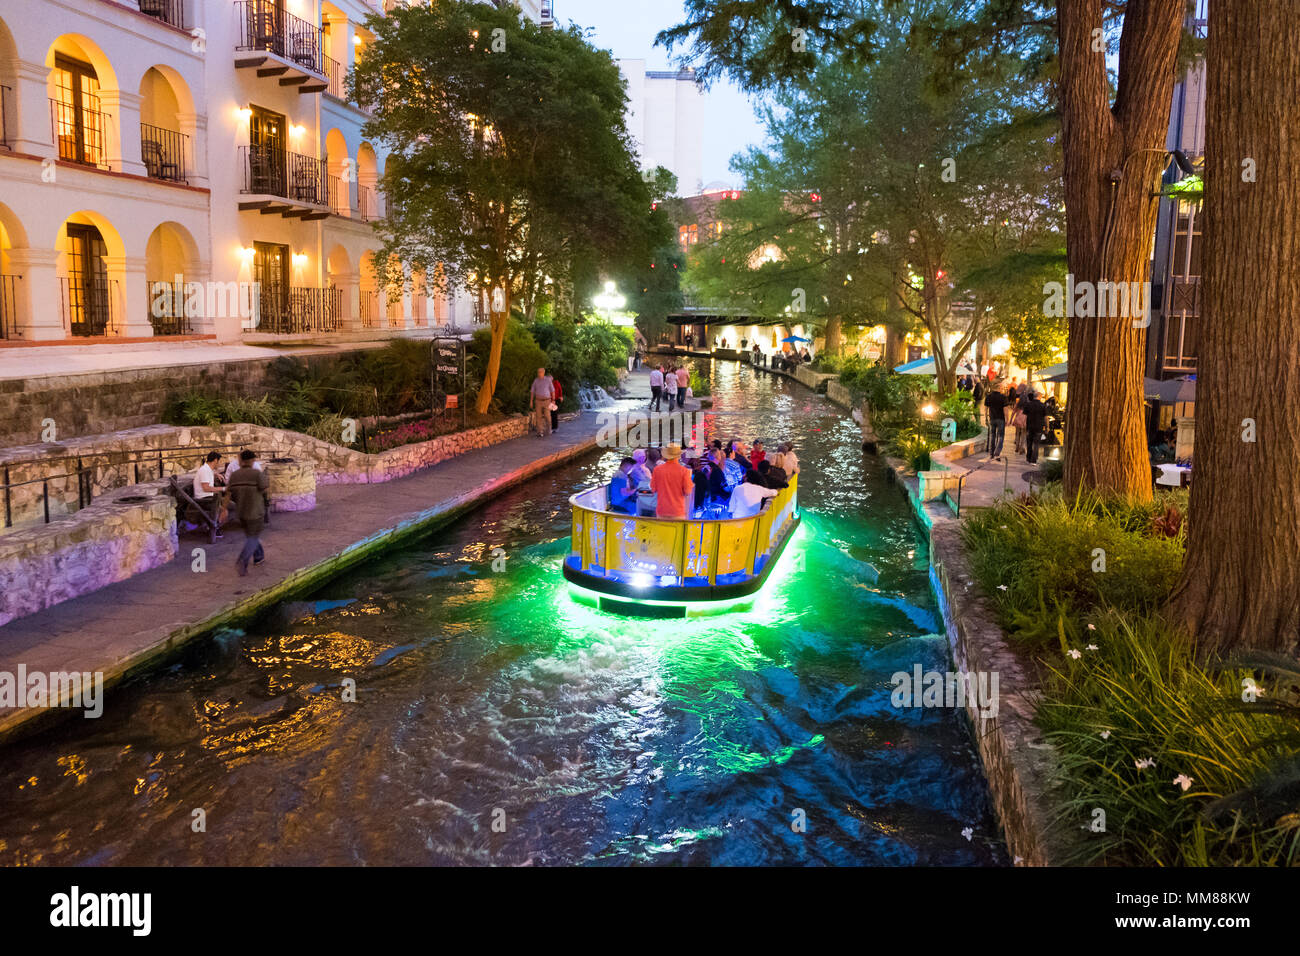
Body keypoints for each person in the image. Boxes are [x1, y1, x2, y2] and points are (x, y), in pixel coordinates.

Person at [226, 450, 270, 576]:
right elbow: (265, 487)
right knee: (253, 537)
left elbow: (228, 492)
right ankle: (243, 559)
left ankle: (258, 557)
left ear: (241, 460)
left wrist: (223, 509)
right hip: (255, 511)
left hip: (241, 512)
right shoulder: (256, 474)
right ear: (251, 460)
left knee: (251, 535)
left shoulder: (235, 475)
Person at [650, 443, 694, 519]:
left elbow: (653, 489)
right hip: (677, 512)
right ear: (678, 455)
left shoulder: (657, 470)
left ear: (666, 455)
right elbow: (688, 491)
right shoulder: (684, 471)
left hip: (662, 511)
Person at [194, 451, 225, 538]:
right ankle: (214, 528)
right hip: (204, 499)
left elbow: (209, 474)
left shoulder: (208, 469)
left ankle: (214, 526)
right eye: (219, 461)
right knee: (225, 509)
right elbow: (206, 488)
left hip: (209, 497)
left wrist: (216, 474)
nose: (219, 463)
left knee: (228, 504)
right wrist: (223, 489)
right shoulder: (204, 470)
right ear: (215, 460)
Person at [1023, 390, 1049, 464]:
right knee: (1036, 444)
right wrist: (1047, 427)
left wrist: (1024, 426)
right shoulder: (1043, 405)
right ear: (1039, 397)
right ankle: (1033, 460)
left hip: (1029, 427)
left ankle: (1028, 458)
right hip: (1039, 427)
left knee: (1029, 443)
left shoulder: (1028, 404)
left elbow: (1024, 417)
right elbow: (1046, 418)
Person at [984, 385, 1009, 460]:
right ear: (999, 388)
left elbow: (985, 408)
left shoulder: (989, 397)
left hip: (992, 418)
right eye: (1002, 388)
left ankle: (991, 454)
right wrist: (1007, 419)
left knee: (992, 435)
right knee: (1000, 436)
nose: (1002, 389)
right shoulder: (1003, 397)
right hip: (1001, 419)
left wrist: (986, 418)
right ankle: (997, 452)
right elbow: (1005, 409)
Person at [530, 367, 554, 437]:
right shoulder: (536, 381)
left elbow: (552, 390)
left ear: (543, 373)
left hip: (547, 401)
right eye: (538, 372)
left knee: (547, 416)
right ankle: (539, 432)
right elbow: (532, 391)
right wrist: (531, 401)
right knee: (538, 417)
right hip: (538, 401)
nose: (539, 374)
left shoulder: (548, 380)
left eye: (540, 372)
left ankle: (549, 429)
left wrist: (553, 400)